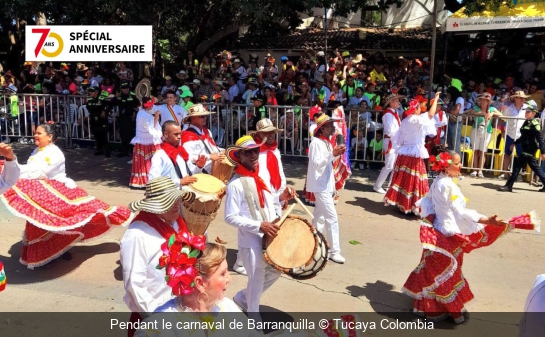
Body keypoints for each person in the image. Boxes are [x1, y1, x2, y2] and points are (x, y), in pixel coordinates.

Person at [402, 145, 538, 323]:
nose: (460, 167)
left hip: (438, 231)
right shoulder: (447, 185)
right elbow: (460, 211)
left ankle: (431, 307)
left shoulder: (438, 181)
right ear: (445, 166)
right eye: (457, 163)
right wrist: (485, 220)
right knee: (446, 273)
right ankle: (442, 309)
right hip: (447, 234)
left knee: (435, 271)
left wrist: (429, 219)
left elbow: (428, 202)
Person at [1, 123, 133, 269]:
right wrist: (11, 166)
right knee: (41, 220)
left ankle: (62, 248)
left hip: (57, 192)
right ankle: (50, 251)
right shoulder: (37, 151)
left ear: (50, 137)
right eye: (35, 133)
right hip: (44, 193)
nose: (35, 136)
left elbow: (37, 172)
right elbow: (33, 172)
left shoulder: (54, 153)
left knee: (65, 220)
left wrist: (12, 166)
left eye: (39, 133)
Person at [224, 136, 296, 322]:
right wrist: (258, 225)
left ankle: (242, 298)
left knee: (277, 270)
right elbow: (230, 217)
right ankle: (254, 322)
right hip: (251, 240)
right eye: (248, 152)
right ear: (239, 156)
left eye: (256, 150)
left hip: (270, 236)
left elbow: (269, 200)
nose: (254, 155)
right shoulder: (235, 184)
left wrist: (282, 197)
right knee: (256, 280)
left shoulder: (260, 176)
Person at [121, 176, 195, 337]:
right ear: (154, 206)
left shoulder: (177, 222)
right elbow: (134, 285)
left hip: (180, 308)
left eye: (177, 199)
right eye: (170, 201)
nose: (176, 204)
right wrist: (157, 319)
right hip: (153, 314)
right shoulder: (137, 235)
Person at [228, 118, 287, 276]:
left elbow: (277, 172)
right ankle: (241, 262)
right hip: (255, 190)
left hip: (270, 192)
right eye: (267, 133)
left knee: (271, 230)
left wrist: (280, 194)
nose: (271, 135)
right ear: (259, 134)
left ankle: (264, 258)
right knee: (251, 228)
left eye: (273, 132)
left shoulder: (274, 150)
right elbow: (231, 216)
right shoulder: (254, 156)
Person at [384, 95, 439, 214]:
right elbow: (430, 115)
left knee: (404, 179)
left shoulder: (405, 121)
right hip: (414, 154)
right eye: (419, 108)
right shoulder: (416, 120)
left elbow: (399, 139)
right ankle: (411, 205)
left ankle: (402, 203)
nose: (421, 110)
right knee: (413, 180)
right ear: (416, 109)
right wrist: (436, 99)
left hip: (404, 153)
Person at [306, 115, 347, 264]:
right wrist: (333, 154)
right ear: (322, 128)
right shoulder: (316, 143)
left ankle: (313, 243)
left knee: (320, 217)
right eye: (330, 125)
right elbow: (317, 164)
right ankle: (334, 251)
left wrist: (336, 154)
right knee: (332, 218)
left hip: (325, 184)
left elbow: (328, 161)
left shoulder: (326, 142)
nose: (333, 128)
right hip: (320, 185)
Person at [499, 105, 545, 192]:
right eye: (526, 111)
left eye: (528, 112)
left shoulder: (535, 124)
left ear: (534, 113)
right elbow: (523, 136)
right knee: (536, 168)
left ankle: (508, 186)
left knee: (517, 167)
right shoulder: (526, 122)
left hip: (530, 149)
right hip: (526, 148)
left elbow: (540, 139)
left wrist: (543, 152)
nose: (526, 113)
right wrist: (515, 143)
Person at [148, 120, 207, 187]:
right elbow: (153, 181)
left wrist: (199, 167)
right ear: (166, 134)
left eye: (180, 134)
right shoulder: (159, 156)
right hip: (170, 194)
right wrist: (179, 182)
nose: (179, 137)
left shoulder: (181, 152)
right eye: (176, 134)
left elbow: (189, 175)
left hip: (184, 192)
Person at [181, 104, 225, 175]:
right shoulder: (187, 136)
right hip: (200, 172)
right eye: (202, 116)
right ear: (193, 118)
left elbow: (212, 148)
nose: (205, 118)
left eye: (205, 116)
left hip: (213, 168)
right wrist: (209, 156)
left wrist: (223, 151)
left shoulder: (207, 131)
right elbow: (188, 156)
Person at [129, 97, 163, 188]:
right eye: (150, 105)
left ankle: (144, 181)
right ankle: (147, 181)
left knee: (145, 161)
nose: (152, 106)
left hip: (144, 140)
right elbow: (151, 128)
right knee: (149, 161)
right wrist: (156, 117)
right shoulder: (144, 115)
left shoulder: (142, 113)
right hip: (146, 141)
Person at [467, 93, 502, 178]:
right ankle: (475, 170)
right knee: (475, 151)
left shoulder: (492, 109)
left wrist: (492, 113)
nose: (483, 101)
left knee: (483, 151)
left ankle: (480, 171)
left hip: (487, 131)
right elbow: (471, 112)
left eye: (485, 100)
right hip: (476, 130)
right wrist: (483, 114)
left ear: (488, 101)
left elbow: (501, 114)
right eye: (482, 99)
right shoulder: (475, 108)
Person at [373, 94, 403, 194]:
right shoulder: (388, 114)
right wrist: (401, 136)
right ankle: (377, 185)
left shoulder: (395, 113)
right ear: (391, 102)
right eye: (396, 100)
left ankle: (391, 186)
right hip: (391, 141)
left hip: (396, 141)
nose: (399, 102)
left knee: (394, 166)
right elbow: (390, 131)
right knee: (389, 166)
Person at [115, 82, 139, 158]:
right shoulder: (119, 96)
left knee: (130, 135)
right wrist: (115, 97)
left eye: (127, 88)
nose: (126, 89)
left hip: (130, 118)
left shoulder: (133, 95)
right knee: (123, 134)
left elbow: (138, 105)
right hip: (122, 118)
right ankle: (124, 151)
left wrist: (134, 113)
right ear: (121, 89)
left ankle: (132, 151)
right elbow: (112, 103)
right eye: (124, 88)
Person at [86, 86, 111, 157]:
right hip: (94, 119)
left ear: (96, 92)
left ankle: (107, 152)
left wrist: (104, 111)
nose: (90, 93)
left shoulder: (102, 98)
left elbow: (108, 106)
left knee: (104, 135)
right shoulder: (89, 99)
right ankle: (99, 150)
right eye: (90, 91)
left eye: (92, 91)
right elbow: (89, 108)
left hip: (102, 120)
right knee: (96, 135)